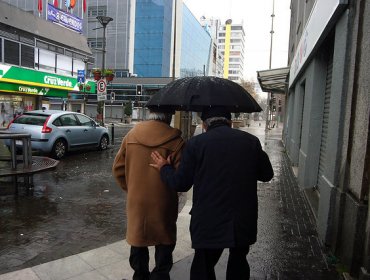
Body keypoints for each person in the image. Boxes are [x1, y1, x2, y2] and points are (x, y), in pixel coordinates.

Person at [150, 106, 274, 280]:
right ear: (230, 123)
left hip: (209, 219)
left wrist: (165, 168)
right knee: (238, 263)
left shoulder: (196, 144)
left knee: (204, 266)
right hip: (242, 219)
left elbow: (181, 183)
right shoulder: (251, 141)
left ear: (204, 125)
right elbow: (267, 175)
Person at [112, 110, 185, 280]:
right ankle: (159, 275)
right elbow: (181, 178)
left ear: (150, 114)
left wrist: (132, 189)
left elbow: (117, 170)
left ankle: (140, 275)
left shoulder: (131, 136)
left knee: (138, 240)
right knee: (164, 241)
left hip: (136, 201)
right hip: (164, 202)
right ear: (168, 117)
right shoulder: (176, 142)